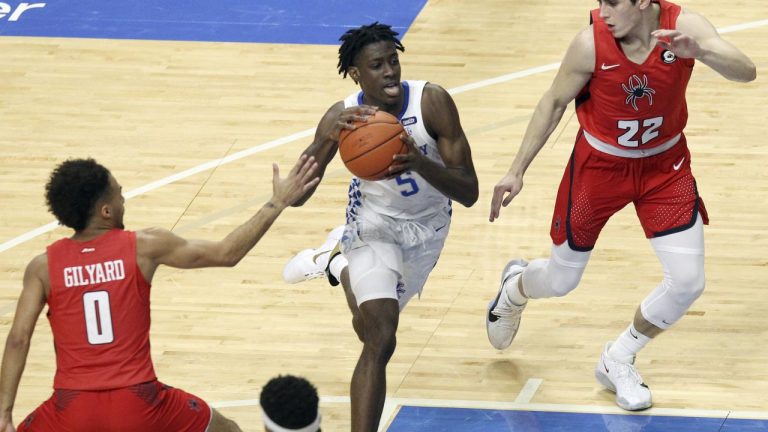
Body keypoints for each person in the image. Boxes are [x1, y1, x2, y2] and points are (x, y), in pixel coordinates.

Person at [486, 0, 755, 411]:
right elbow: (553, 102)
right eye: (600, 3)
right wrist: (516, 170)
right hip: (599, 168)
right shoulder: (589, 45)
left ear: (644, 2)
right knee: (562, 281)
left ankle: (618, 357)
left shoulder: (684, 26)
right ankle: (515, 288)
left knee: (687, 282)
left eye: (613, 2)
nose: (603, 12)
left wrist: (700, 51)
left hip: (666, 168)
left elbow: (746, 71)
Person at [0, 155, 319, 431]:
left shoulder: (42, 267)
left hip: (71, 410)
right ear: (106, 211)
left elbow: (18, 339)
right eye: (120, 195)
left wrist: (4, 412)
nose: (124, 201)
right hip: (140, 403)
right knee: (229, 429)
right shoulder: (143, 246)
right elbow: (227, 253)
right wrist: (278, 202)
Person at [285, 22, 478, 432]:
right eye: (377, 65)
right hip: (372, 224)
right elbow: (297, 196)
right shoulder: (343, 114)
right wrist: (328, 139)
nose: (390, 71)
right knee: (381, 338)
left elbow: (469, 191)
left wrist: (420, 162)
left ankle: (335, 263)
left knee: (367, 329)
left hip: (428, 227)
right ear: (357, 74)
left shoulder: (432, 103)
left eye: (393, 60)